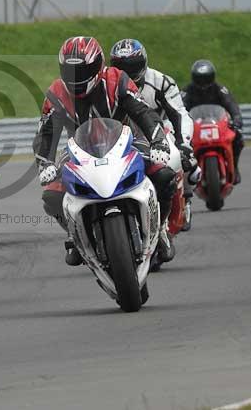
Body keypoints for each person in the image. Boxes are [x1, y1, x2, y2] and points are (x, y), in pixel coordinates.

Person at [32, 36, 176, 266]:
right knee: (51, 195)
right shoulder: (56, 92)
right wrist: (45, 162)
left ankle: (159, 230)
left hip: (128, 142)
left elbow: (143, 112)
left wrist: (158, 141)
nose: (76, 78)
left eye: (84, 70)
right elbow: (46, 133)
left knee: (165, 176)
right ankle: (76, 235)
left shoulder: (117, 80)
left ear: (98, 64)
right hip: (79, 150)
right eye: (70, 71)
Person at [109, 39, 200, 230]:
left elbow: (180, 113)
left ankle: (185, 199)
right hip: (123, 134)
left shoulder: (161, 82)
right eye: (121, 67)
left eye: (132, 66)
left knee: (184, 162)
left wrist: (184, 144)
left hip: (160, 131)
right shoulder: (108, 84)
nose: (128, 72)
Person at [182, 59, 244, 184]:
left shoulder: (220, 90)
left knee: (238, 138)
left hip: (217, 125)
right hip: (196, 127)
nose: (203, 84)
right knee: (181, 146)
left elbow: (231, 105)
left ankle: (235, 168)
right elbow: (179, 108)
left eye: (206, 79)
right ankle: (188, 175)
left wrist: (237, 119)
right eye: (200, 80)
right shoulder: (187, 92)